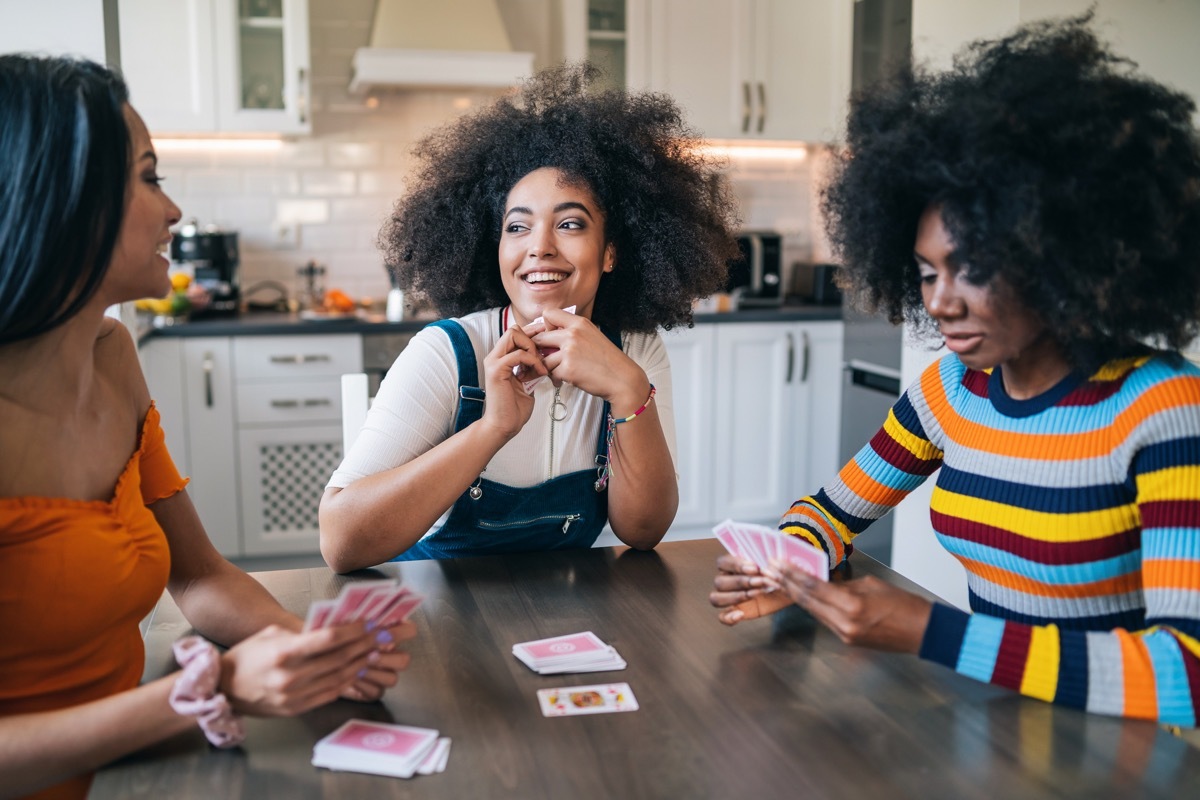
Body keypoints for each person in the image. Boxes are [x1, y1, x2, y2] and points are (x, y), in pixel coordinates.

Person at [710, 15, 1200, 728]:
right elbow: (829, 510)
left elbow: (1186, 673)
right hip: (997, 729)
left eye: (971, 267)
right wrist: (793, 565)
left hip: (1126, 753)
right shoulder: (952, 390)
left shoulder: (1162, 408)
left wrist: (931, 631)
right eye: (926, 271)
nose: (940, 301)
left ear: (1059, 252)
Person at [0, 55, 416, 800]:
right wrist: (208, 689)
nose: (174, 212)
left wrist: (308, 649)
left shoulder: (115, 357)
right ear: (60, 197)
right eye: (149, 177)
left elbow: (198, 574)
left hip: (142, 768)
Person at [319, 63, 739, 570]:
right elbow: (341, 543)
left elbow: (643, 531)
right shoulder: (449, 353)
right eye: (517, 227)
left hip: (567, 616)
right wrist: (492, 427)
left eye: (569, 223)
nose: (539, 248)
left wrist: (630, 390)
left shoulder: (635, 350)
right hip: (431, 614)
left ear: (610, 252)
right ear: (493, 248)